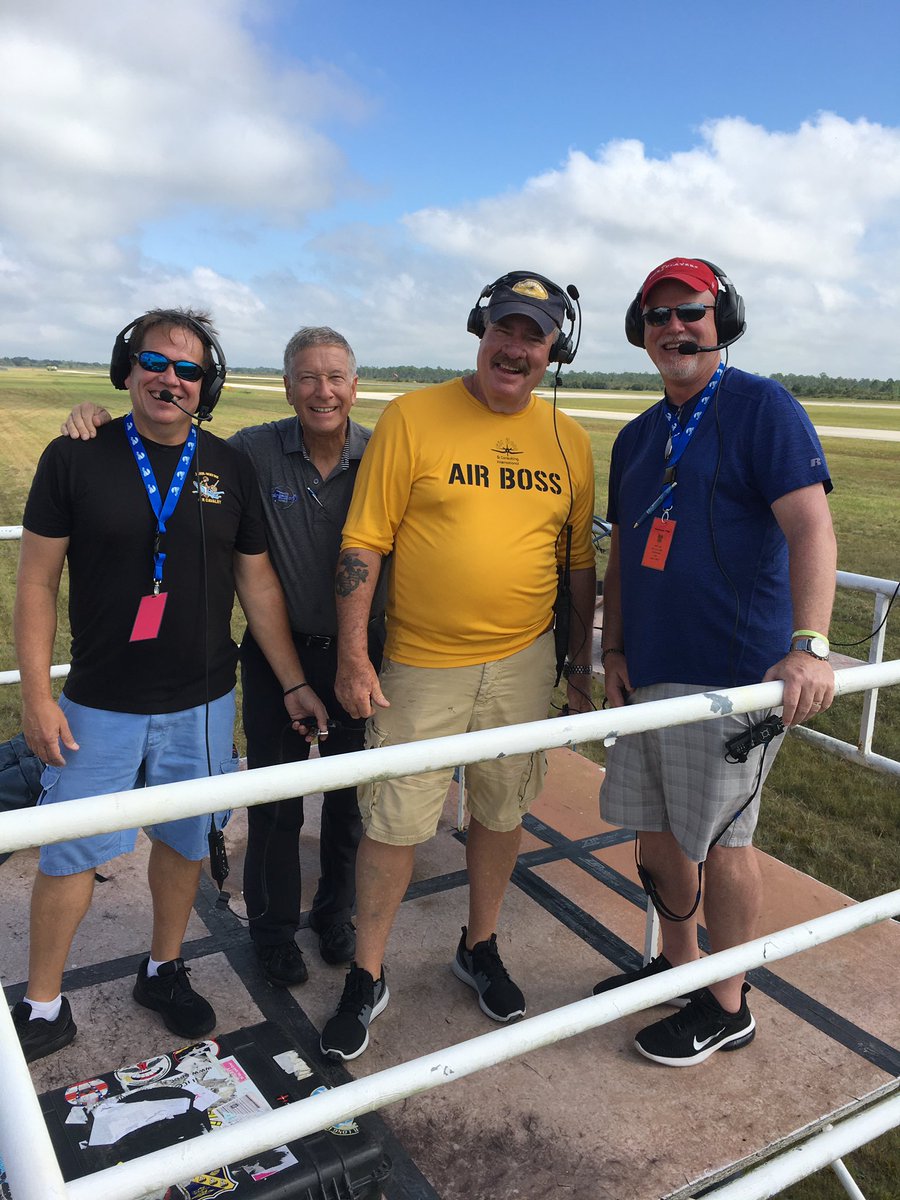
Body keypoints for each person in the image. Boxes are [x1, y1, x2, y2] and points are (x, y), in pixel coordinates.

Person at [12, 308, 327, 1063]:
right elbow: (35, 583)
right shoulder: (74, 455)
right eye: (155, 362)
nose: (169, 378)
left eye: (188, 369)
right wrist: (34, 695)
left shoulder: (227, 466)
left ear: (205, 385)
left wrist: (292, 683)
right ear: (127, 369)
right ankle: (42, 1005)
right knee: (69, 854)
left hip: (206, 702)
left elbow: (257, 586)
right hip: (100, 701)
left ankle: (164, 968)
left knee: (186, 844)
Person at [320, 271, 597, 1061]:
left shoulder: (568, 440)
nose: (515, 348)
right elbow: (363, 541)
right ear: (482, 332)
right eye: (505, 330)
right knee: (395, 820)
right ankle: (366, 974)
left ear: (555, 350)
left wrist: (574, 665)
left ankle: (480, 944)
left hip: (522, 662)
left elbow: (576, 563)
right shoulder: (414, 417)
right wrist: (350, 654)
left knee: (502, 811)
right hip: (421, 661)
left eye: (534, 336)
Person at [61, 327, 386, 988]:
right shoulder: (250, 454)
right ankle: (271, 931)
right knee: (272, 802)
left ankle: (335, 914)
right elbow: (171, 448)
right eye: (306, 377)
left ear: (355, 385)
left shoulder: (384, 455)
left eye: (335, 378)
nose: (322, 392)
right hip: (276, 656)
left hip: (359, 654)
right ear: (287, 384)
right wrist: (98, 424)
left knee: (354, 801)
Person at [596, 257, 837, 1066]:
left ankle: (729, 1003)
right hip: (651, 672)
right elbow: (625, 555)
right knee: (659, 837)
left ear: (720, 319)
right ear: (642, 332)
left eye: (690, 312)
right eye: (658, 316)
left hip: (735, 681)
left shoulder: (762, 408)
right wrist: (615, 648)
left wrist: (808, 645)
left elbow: (811, 529)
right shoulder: (636, 436)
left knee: (726, 844)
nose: (674, 328)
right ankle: (679, 966)